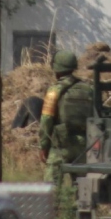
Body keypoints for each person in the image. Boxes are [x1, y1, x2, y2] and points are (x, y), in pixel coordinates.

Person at [38, 50, 93, 188]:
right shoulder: (88, 89)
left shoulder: (54, 90)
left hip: (60, 145)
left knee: (50, 187)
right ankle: (78, 209)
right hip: (83, 144)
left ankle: (51, 209)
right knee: (82, 188)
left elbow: (46, 120)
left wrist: (43, 146)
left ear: (57, 69)